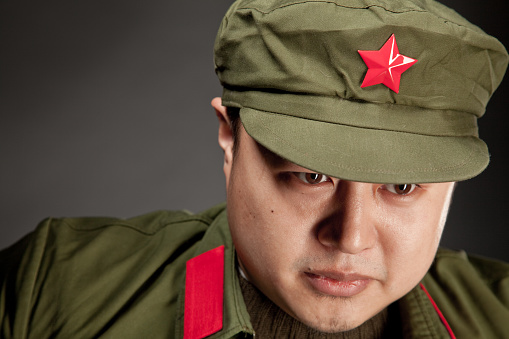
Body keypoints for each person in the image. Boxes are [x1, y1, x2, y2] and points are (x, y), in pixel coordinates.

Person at [1, 0, 508, 338]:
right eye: (311, 175)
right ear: (229, 137)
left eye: (401, 186)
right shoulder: (52, 290)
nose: (351, 238)